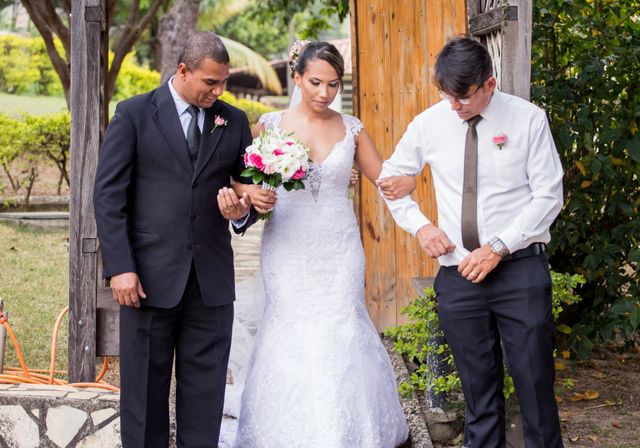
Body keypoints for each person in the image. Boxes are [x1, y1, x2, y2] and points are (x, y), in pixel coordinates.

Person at [380, 36, 564, 447]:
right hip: (459, 276)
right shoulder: (429, 123)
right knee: (478, 396)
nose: (455, 105)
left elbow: (549, 196)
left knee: (535, 390)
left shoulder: (529, 120)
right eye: (447, 95)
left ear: (490, 84)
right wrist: (421, 227)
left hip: (519, 271)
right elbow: (390, 181)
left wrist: (498, 247)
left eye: (463, 97)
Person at [227, 41, 411, 447]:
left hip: (340, 247)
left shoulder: (352, 128)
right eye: (315, 82)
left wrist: (408, 180)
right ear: (297, 78)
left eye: (333, 84)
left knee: (341, 324)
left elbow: (384, 177)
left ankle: (346, 431)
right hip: (287, 246)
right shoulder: (269, 125)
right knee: (289, 328)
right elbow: (236, 174)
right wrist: (254, 194)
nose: (325, 93)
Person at [94, 32, 270, 447]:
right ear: (183, 71)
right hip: (147, 281)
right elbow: (108, 196)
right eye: (211, 82)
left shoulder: (234, 121)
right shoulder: (134, 114)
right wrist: (121, 267)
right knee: (144, 396)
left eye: (224, 81)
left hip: (210, 281)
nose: (219, 90)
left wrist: (241, 211)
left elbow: (247, 192)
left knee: (205, 395)